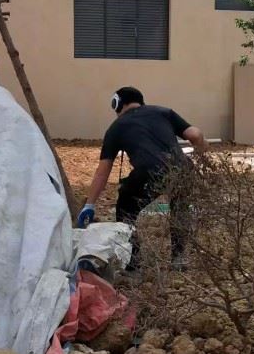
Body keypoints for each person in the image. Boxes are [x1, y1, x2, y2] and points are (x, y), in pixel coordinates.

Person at [77, 87, 206, 268]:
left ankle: (134, 260)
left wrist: (90, 204)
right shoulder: (164, 112)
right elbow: (195, 134)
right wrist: (201, 158)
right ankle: (179, 258)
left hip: (148, 172)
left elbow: (103, 171)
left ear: (117, 104)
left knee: (126, 209)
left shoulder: (116, 127)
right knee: (179, 208)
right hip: (182, 168)